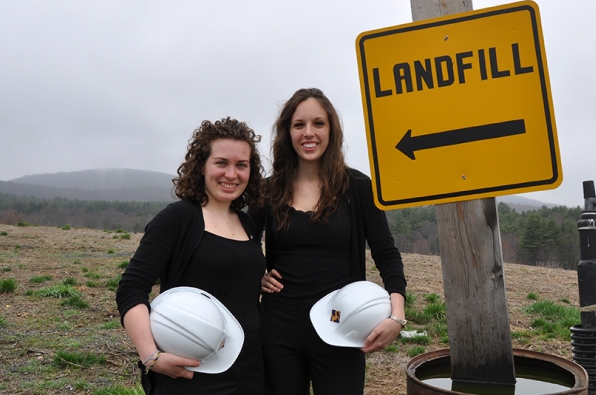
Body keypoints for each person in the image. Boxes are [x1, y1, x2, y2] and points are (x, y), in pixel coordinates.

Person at [254, 88, 407, 395]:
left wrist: (397, 315)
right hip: (278, 327)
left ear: (331, 129)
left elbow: (386, 253)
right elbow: (241, 242)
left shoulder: (359, 188)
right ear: (287, 132)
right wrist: (255, 274)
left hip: (342, 325)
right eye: (299, 125)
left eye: (318, 123)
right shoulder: (269, 190)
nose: (308, 133)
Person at [116, 117, 266, 394]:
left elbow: (233, 278)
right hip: (193, 371)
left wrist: (260, 278)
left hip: (251, 370)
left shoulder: (248, 224)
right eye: (221, 163)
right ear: (201, 166)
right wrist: (151, 355)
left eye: (241, 165)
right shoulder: (178, 219)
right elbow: (131, 288)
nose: (232, 174)